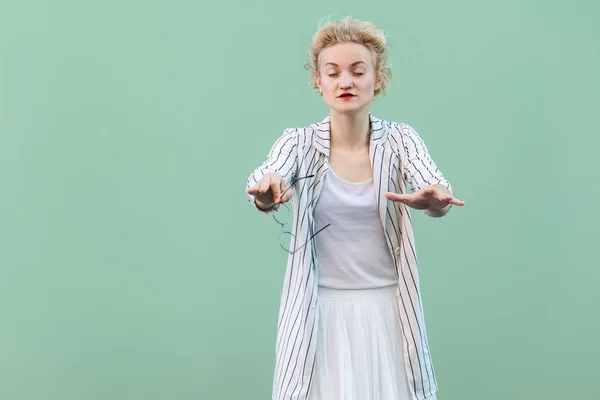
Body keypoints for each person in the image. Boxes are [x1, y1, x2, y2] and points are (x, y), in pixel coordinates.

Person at [245, 16, 465, 400]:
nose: (345, 81)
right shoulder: (297, 143)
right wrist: (266, 193)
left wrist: (433, 201)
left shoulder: (400, 140)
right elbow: (268, 177)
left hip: (389, 314)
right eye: (333, 73)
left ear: (378, 78)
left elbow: (434, 187)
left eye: (357, 71)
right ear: (318, 81)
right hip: (319, 313)